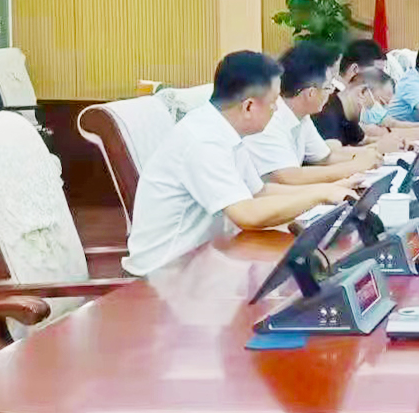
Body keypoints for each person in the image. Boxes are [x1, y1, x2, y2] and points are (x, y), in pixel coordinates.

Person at [123, 51, 355, 276]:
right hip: (163, 276)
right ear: (249, 106)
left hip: (205, 261)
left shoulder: (225, 130)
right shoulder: (203, 140)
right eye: (273, 102)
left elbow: (260, 192)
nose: (276, 109)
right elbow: (247, 214)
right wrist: (319, 195)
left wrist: (330, 190)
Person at [241, 42, 382, 186]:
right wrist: (353, 166)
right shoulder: (269, 117)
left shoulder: (301, 115)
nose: (331, 93)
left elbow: (324, 158)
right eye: (328, 87)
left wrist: (364, 156)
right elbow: (288, 177)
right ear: (311, 93)